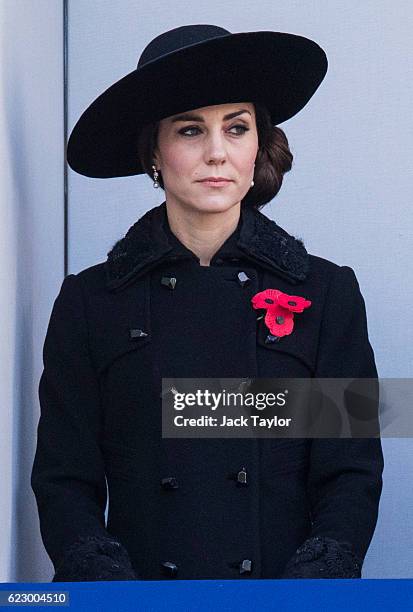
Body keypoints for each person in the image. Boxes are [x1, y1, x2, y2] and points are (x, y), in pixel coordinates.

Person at [31, 24, 384, 581]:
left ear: (258, 146)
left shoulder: (326, 294)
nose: (217, 153)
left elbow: (349, 474)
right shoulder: (90, 302)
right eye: (191, 130)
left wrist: (311, 588)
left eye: (236, 128)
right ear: (154, 151)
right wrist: (110, 590)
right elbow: (65, 478)